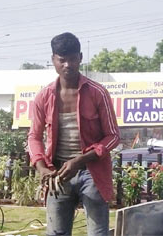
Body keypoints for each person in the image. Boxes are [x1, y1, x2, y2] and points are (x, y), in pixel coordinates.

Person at [27, 32, 120, 236]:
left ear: (80, 58)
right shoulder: (44, 96)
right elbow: (34, 137)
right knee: (56, 233)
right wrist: (42, 168)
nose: (67, 65)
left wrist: (79, 160)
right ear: (53, 60)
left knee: (98, 233)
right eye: (62, 60)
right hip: (57, 173)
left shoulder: (98, 92)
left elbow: (113, 136)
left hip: (92, 172)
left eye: (72, 59)